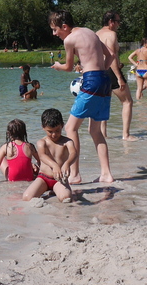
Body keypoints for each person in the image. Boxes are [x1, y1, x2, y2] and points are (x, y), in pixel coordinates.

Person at [49, 10, 115, 184]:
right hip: (105, 81)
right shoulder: (89, 32)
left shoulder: (69, 40)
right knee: (95, 131)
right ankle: (106, 174)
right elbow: (110, 55)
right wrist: (101, 72)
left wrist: (57, 65)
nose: (54, 34)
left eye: (55, 30)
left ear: (64, 26)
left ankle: (75, 174)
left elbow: (69, 67)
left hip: (91, 82)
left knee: (70, 128)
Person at [96, 11, 136, 141]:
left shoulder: (96, 34)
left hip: (98, 71)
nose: (119, 24)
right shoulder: (111, 34)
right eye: (118, 21)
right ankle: (126, 135)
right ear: (111, 22)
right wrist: (119, 77)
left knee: (104, 103)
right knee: (127, 101)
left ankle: (103, 135)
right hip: (111, 72)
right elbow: (111, 57)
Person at [26, 108, 74, 202]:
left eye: (57, 130)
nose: (54, 134)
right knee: (27, 197)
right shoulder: (42, 142)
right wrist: (54, 165)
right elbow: (42, 155)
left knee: (66, 198)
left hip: (59, 179)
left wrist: (67, 163)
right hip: (43, 178)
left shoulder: (67, 142)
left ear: (62, 126)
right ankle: (45, 190)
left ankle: (56, 190)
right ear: (43, 127)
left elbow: (74, 153)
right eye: (50, 131)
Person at [0, 119, 40, 184]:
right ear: (24, 132)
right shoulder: (30, 146)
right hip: (29, 178)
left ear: (9, 133)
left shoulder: (5, 147)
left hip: (12, 178)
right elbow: (40, 160)